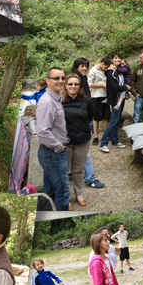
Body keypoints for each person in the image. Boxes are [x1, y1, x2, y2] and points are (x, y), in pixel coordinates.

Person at [36, 67, 71, 211]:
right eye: (56, 78)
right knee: (62, 191)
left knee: (49, 190)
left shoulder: (56, 98)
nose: (61, 81)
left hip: (52, 153)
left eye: (63, 78)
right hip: (53, 153)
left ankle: (44, 212)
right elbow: (43, 131)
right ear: (48, 81)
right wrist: (59, 147)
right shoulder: (47, 102)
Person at [71, 57, 106, 190]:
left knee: (76, 149)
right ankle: (90, 178)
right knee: (83, 151)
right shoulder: (76, 78)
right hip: (77, 121)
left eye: (86, 66)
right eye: (82, 66)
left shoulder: (82, 77)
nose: (84, 68)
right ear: (76, 67)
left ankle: (70, 173)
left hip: (81, 118)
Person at [63, 73, 93, 207]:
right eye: (70, 84)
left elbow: (91, 117)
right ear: (65, 85)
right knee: (64, 170)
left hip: (82, 140)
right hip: (65, 141)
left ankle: (78, 193)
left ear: (80, 86)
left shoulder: (86, 101)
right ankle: (66, 197)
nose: (73, 86)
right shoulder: (60, 101)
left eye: (76, 84)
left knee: (79, 170)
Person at [100, 55, 128, 152]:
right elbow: (115, 87)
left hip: (121, 98)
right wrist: (126, 88)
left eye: (119, 58)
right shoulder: (110, 72)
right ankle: (103, 143)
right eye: (115, 58)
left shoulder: (118, 71)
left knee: (116, 121)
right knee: (113, 121)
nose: (118, 59)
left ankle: (115, 141)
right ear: (111, 60)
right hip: (116, 99)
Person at [88, 57, 112, 145]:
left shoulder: (105, 71)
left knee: (106, 117)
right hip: (96, 96)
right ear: (102, 63)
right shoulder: (93, 71)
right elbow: (90, 84)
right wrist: (101, 85)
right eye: (106, 66)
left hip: (105, 96)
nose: (106, 68)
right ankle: (96, 136)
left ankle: (105, 135)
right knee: (96, 118)